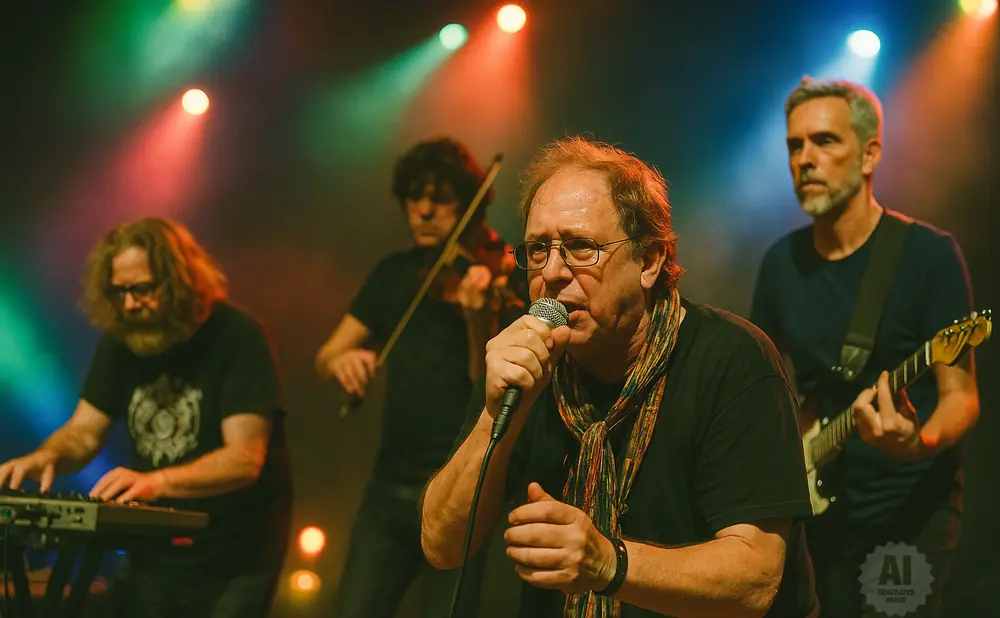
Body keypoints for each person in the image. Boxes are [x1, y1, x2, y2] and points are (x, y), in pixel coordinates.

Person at [421, 136, 818, 618]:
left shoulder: (734, 358)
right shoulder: (524, 360)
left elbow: (755, 578)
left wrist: (608, 563)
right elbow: (442, 546)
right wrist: (496, 414)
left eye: (580, 248)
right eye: (537, 249)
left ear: (649, 261)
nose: (551, 272)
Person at [750, 77, 980, 617]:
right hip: (819, 503)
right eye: (794, 145)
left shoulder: (928, 255)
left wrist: (916, 442)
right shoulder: (780, 264)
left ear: (870, 153)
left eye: (824, 141)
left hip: (909, 505)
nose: (804, 159)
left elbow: (961, 397)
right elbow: (762, 386)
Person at [0, 217, 293, 618]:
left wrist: (155, 483)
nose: (129, 304)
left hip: (236, 552)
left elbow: (244, 460)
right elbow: (84, 433)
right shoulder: (123, 341)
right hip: (153, 554)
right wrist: (46, 456)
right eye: (119, 292)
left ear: (180, 281)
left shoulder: (237, 336)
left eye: (142, 289)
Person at [315, 137, 524, 618]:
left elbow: (485, 385)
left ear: (468, 203)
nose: (424, 210)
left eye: (441, 198)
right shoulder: (394, 273)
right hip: (389, 485)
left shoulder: (499, 274)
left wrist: (478, 321)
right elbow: (327, 354)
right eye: (415, 197)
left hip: (458, 486)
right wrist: (344, 361)